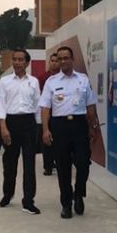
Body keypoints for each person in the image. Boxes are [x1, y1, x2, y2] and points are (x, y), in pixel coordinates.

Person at [40, 46, 99, 219]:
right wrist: (45, 130)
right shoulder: (51, 82)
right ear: (57, 61)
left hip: (80, 125)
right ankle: (66, 204)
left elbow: (90, 105)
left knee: (83, 164)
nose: (63, 61)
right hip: (59, 126)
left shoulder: (83, 79)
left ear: (72, 60)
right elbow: (45, 107)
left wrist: (92, 127)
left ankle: (79, 194)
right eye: (60, 59)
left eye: (66, 58)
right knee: (63, 167)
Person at [0, 49, 42, 214]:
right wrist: (3, 127)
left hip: (29, 123)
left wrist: (39, 128)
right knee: (9, 163)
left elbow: (38, 105)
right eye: (14, 59)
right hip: (11, 123)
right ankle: (8, 194)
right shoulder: (5, 81)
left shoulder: (34, 82)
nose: (17, 62)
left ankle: (28, 200)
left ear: (27, 63)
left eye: (20, 59)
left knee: (29, 164)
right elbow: (0, 104)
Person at [37, 53, 60, 175]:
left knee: (60, 141)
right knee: (47, 141)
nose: (55, 63)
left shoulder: (65, 77)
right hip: (47, 115)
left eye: (57, 60)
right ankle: (48, 166)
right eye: (53, 60)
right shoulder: (42, 78)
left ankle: (58, 162)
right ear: (49, 62)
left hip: (61, 115)